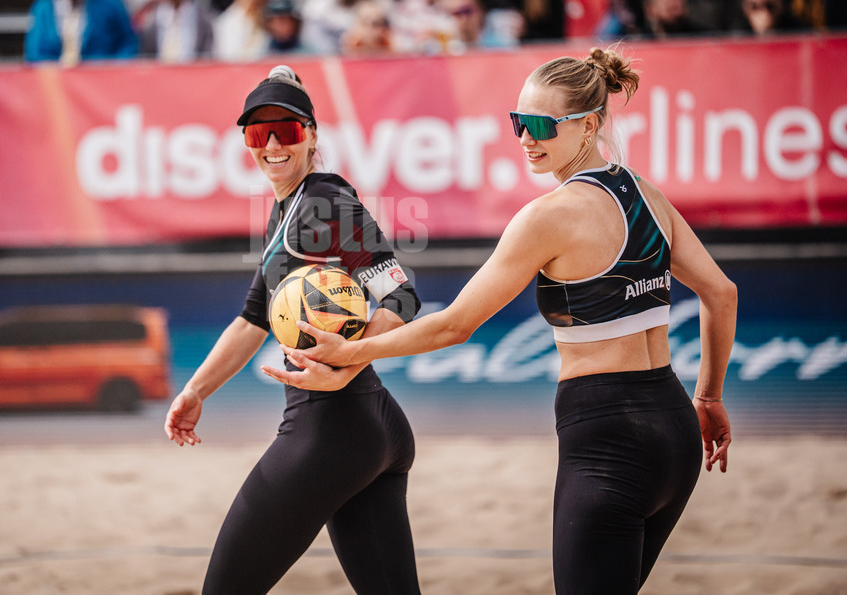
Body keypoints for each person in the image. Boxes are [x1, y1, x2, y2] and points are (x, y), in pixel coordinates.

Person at [268, 47, 737, 595]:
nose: (525, 139)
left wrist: (351, 354)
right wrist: (708, 397)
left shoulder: (547, 217)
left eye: (541, 125)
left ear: (588, 126)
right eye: (518, 123)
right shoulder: (648, 197)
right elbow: (720, 293)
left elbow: (455, 325)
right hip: (675, 429)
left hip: (608, 438)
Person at [165, 65, 424, 595]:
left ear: (311, 135)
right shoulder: (288, 208)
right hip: (367, 425)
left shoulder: (324, 201)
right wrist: (196, 391)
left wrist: (347, 360)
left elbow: (401, 297)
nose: (273, 144)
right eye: (259, 134)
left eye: (288, 130)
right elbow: (252, 319)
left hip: (330, 430)